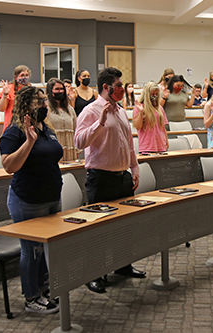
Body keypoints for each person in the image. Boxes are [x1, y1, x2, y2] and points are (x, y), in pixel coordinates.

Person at [74, 67, 146, 294]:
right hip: (100, 178)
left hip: (122, 176)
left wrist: (134, 167)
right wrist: (100, 123)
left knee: (125, 225)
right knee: (97, 228)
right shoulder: (90, 111)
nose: (122, 90)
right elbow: (79, 142)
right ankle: (92, 274)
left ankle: (123, 265)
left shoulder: (122, 111)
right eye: (118, 86)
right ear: (106, 87)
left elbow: (128, 141)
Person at [0, 86, 61, 314]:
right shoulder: (14, 131)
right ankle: (31, 297)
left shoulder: (46, 128)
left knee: (46, 249)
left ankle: (44, 290)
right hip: (27, 198)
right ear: (26, 105)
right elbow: (8, 166)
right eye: (39, 102)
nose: (44, 105)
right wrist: (29, 142)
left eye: (45, 101)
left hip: (51, 196)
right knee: (31, 250)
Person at [45, 77, 78, 161]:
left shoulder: (70, 109)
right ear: (50, 91)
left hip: (70, 151)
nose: (60, 91)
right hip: (52, 150)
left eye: (62, 89)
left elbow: (76, 128)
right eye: (57, 89)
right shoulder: (46, 108)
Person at [133, 81, 168, 153]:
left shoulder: (160, 108)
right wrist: (141, 113)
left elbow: (163, 127)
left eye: (156, 94)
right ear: (147, 94)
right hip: (147, 147)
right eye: (152, 94)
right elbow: (138, 127)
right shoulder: (139, 107)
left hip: (161, 146)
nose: (155, 96)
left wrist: (166, 141)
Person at [0, 65, 32, 132]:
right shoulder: (9, 88)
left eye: (27, 75)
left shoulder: (31, 89)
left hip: (28, 126)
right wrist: (5, 94)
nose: (25, 77)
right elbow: (2, 108)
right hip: (11, 126)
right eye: (22, 75)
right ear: (15, 77)